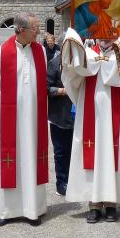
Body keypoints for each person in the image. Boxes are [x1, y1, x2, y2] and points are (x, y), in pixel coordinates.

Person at [61, 28, 120, 223]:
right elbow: (71, 77)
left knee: (114, 153)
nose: (106, 38)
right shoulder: (87, 54)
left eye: (110, 34)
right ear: (95, 35)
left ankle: (112, 203)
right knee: (92, 155)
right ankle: (94, 204)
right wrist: (72, 58)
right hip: (90, 114)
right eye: (102, 34)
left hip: (115, 112)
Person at [0, 13, 49, 227]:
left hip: (34, 118)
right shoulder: (3, 52)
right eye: (35, 28)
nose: (38, 32)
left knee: (32, 157)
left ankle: (33, 210)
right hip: (11, 119)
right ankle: (7, 211)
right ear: (21, 30)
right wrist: (0, 112)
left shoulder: (41, 52)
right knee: (11, 160)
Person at [46, 48, 73, 196]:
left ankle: (74, 181)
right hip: (59, 117)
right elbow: (46, 88)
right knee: (61, 152)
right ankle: (61, 183)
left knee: (75, 151)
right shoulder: (54, 64)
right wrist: (63, 91)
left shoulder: (79, 64)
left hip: (76, 117)